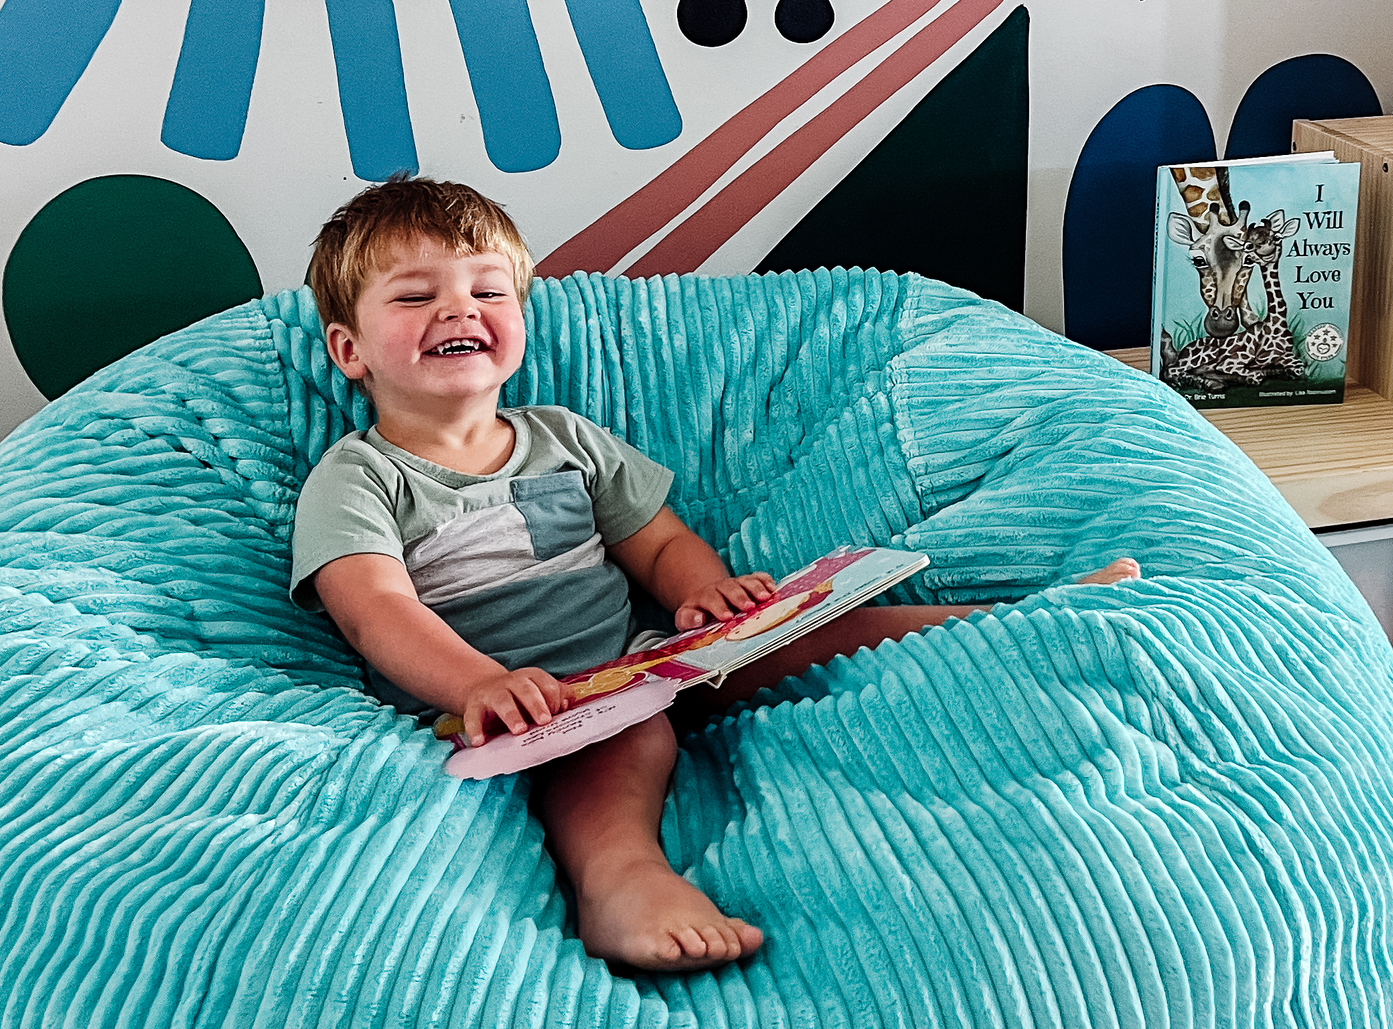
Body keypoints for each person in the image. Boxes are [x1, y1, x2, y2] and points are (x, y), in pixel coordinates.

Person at [290, 176, 1138, 973]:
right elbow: (375, 611)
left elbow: (657, 542)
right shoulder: (361, 476)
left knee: (803, 630)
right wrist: (481, 683)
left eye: (488, 291)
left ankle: (1012, 616)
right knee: (626, 740)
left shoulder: (565, 438)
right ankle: (620, 881)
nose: (458, 310)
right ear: (349, 349)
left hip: (641, 658)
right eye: (415, 296)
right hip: (511, 708)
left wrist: (703, 593)